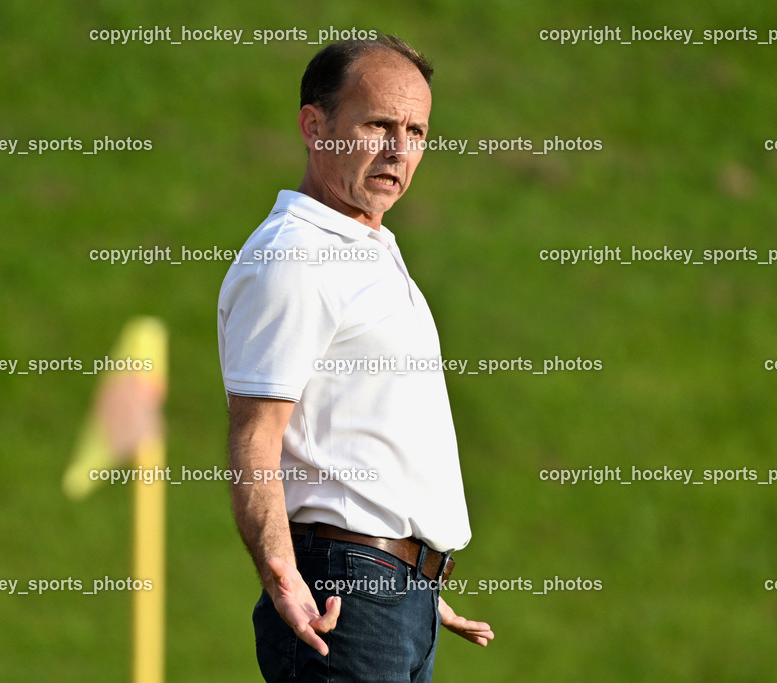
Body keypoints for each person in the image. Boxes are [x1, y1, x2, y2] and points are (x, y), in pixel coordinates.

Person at [217, 33, 493, 681]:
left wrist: (412, 570)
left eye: (417, 130)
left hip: (391, 595)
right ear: (315, 126)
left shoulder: (365, 247)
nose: (400, 149)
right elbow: (255, 434)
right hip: (346, 598)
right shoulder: (299, 253)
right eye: (378, 124)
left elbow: (359, 439)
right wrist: (287, 576)